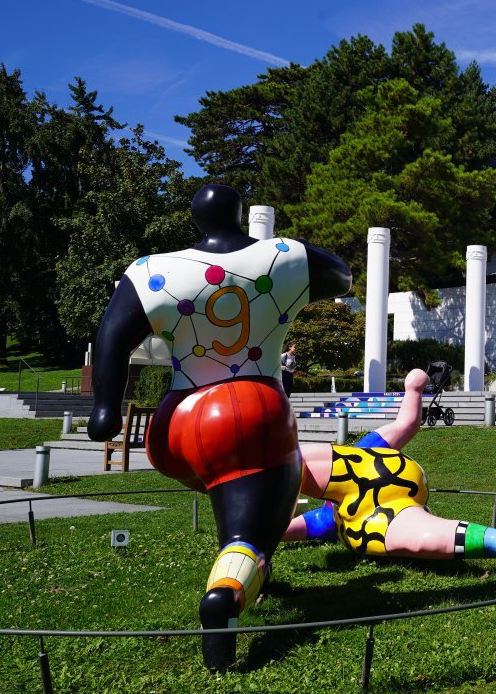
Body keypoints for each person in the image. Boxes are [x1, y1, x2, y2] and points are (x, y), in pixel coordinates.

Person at [88, 184, 352, 671]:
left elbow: (111, 336)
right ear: (239, 213)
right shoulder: (281, 256)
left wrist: (106, 409)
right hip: (250, 407)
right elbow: (342, 274)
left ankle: (250, 565)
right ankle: (226, 596)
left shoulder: (152, 270)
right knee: (251, 526)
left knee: (237, 496)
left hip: (176, 423)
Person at [285, 368, 496, 563]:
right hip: (383, 509)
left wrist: (413, 391)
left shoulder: (363, 453)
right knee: (415, 535)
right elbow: (406, 424)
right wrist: (413, 389)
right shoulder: (336, 517)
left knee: (411, 534)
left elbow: (406, 424)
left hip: (384, 501)